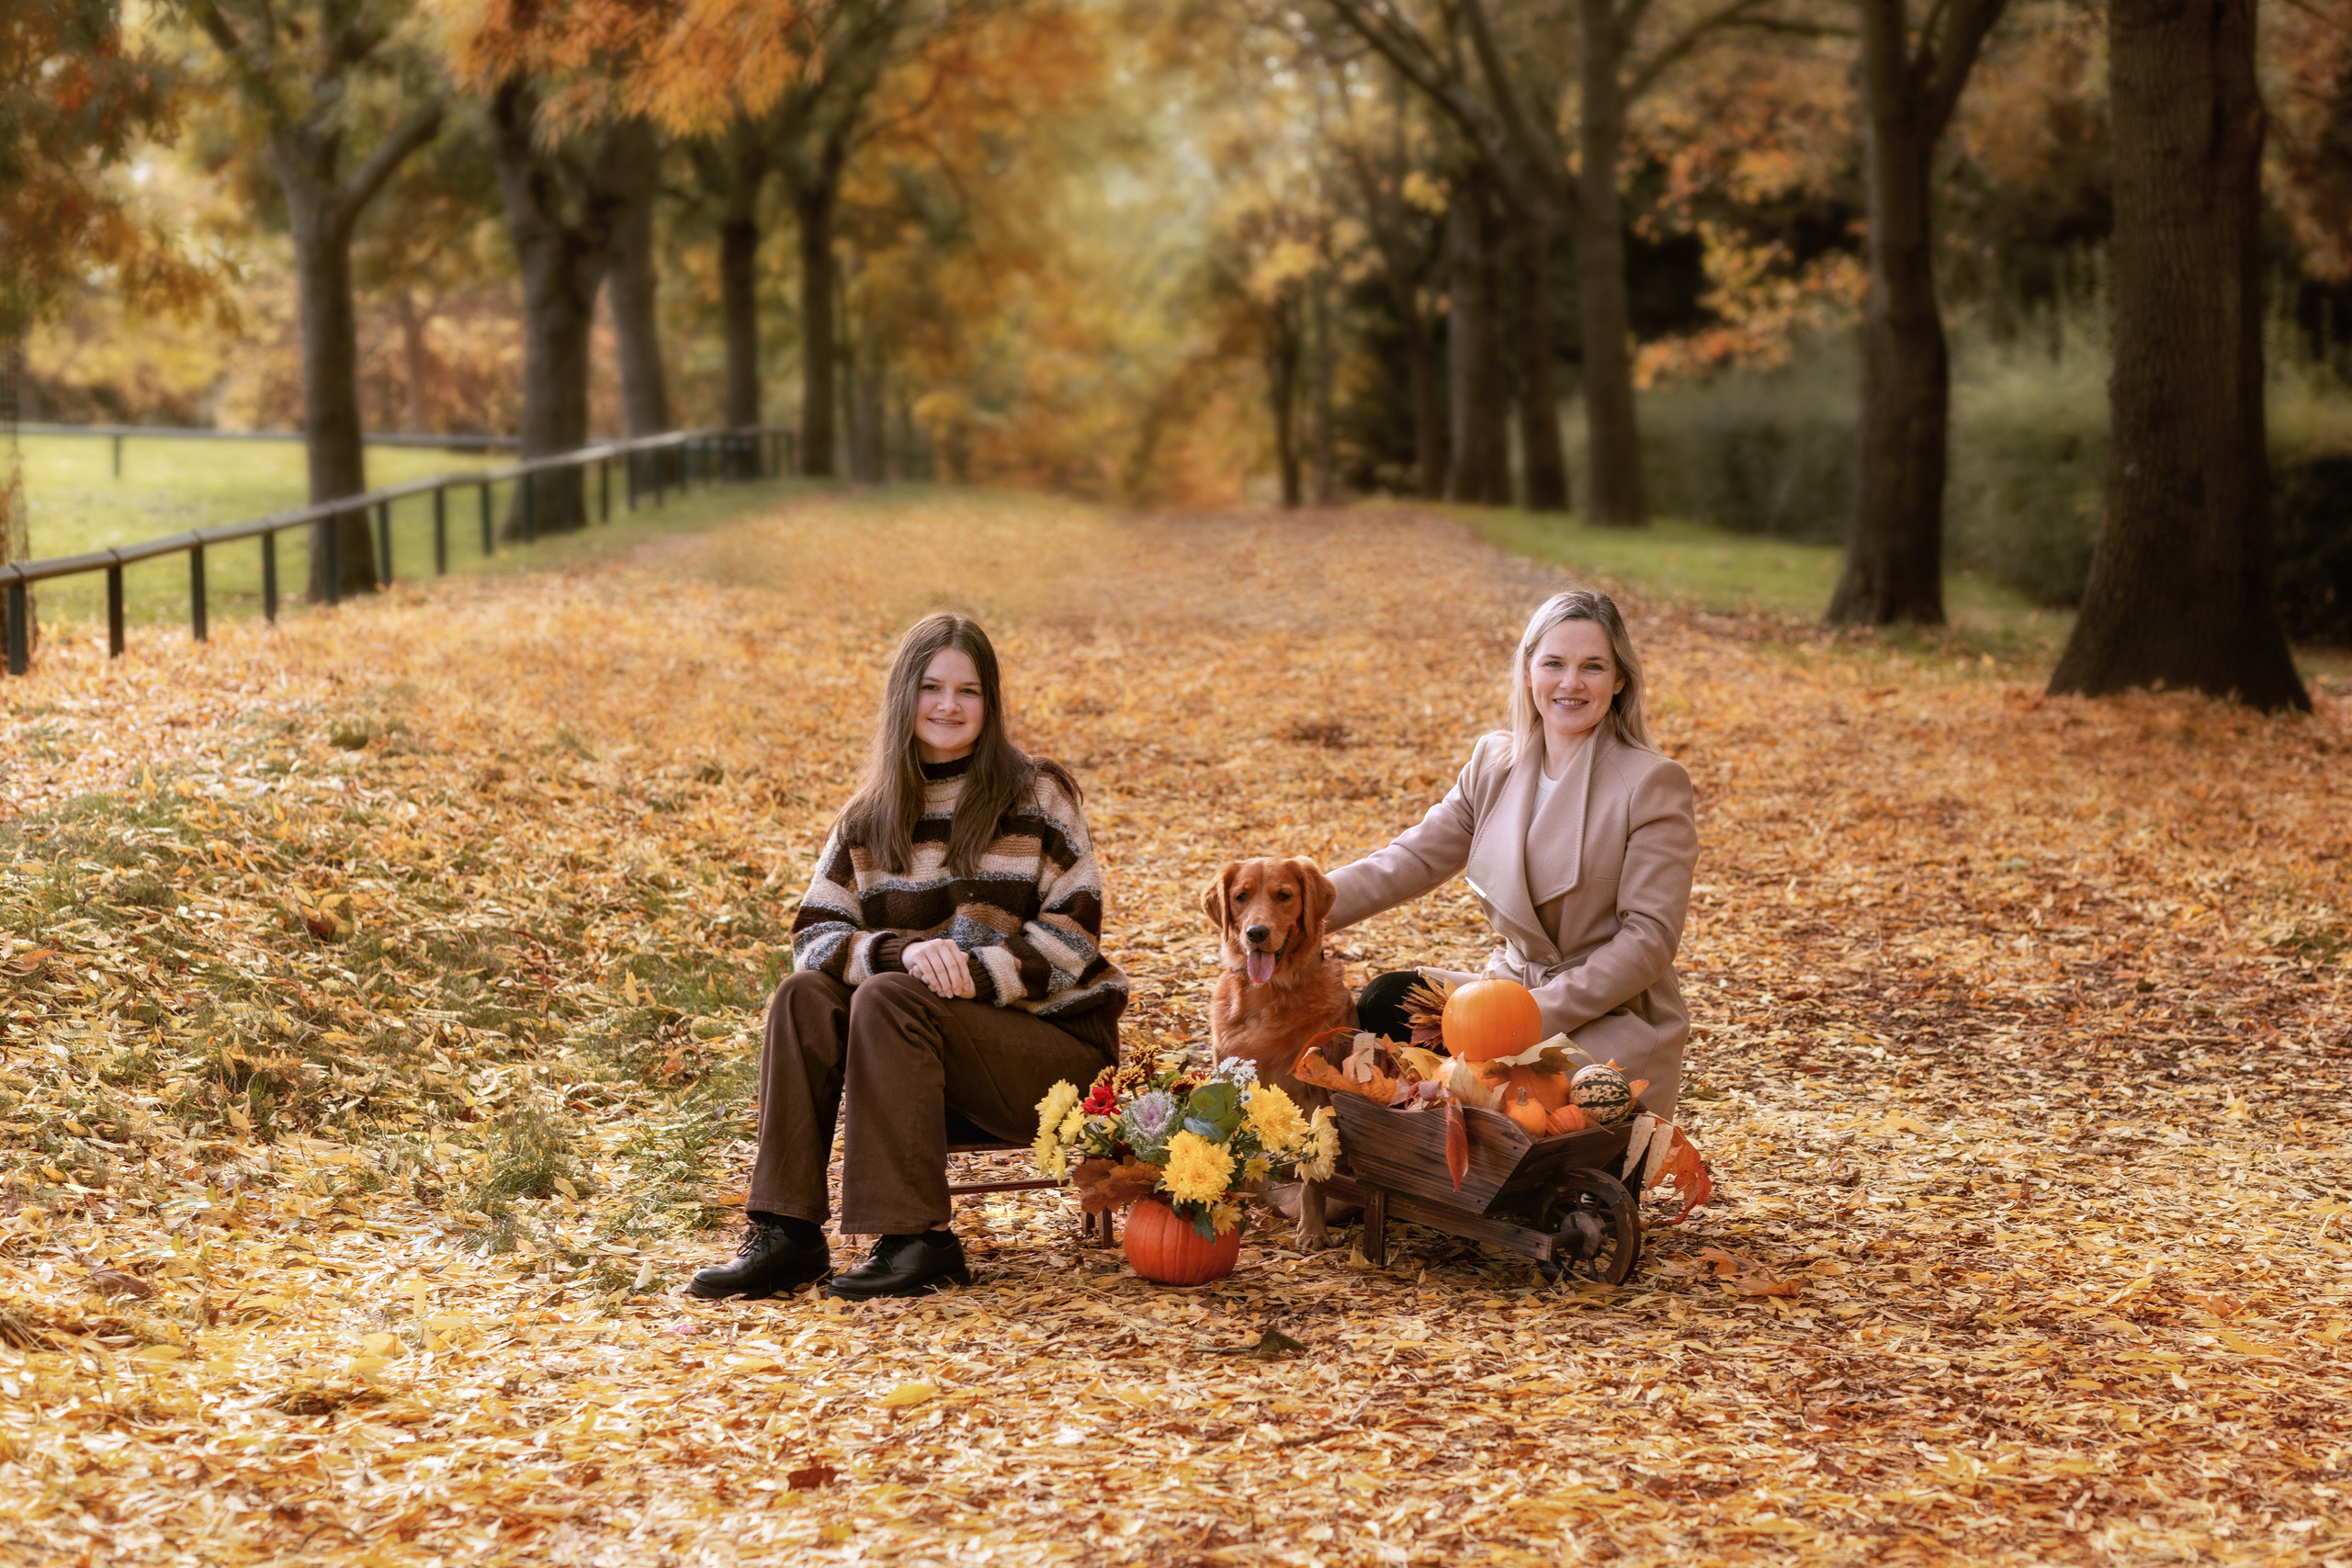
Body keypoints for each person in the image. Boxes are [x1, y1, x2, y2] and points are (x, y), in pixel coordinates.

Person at [688, 613, 1127, 1301]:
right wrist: (902, 951)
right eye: (931, 687)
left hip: (1052, 1056)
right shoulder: (868, 816)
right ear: (904, 697)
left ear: (991, 702)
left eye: (969, 691)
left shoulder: (1037, 796)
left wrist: (963, 972)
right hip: (912, 1056)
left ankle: (917, 1237)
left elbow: (1073, 942)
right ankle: (786, 1231)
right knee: (803, 995)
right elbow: (813, 939)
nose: (949, 706)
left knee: (891, 995)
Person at [1329, 589, 1698, 1123]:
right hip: (1509, 988)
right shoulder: (1494, 762)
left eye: (1592, 667)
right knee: (1388, 1001)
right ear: (1529, 671)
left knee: (1527, 1116)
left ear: (1618, 681)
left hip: (1604, 1013)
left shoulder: (1651, 783)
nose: (1570, 683)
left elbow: (1648, 940)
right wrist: (1298, 911)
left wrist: (1529, 1017)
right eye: (1554, 663)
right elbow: (1412, 858)